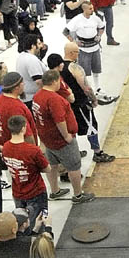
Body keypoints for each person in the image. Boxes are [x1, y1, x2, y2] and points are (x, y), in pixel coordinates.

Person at [33, 70, 95, 205]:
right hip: (61, 140)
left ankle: (54, 191)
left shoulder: (37, 96)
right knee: (74, 166)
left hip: (47, 139)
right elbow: (59, 120)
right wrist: (66, 135)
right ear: (54, 81)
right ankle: (78, 195)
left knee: (52, 165)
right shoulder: (54, 99)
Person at [58, 43, 115, 163]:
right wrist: (94, 99)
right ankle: (97, 153)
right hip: (80, 104)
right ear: (72, 53)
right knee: (91, 127)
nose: (78, 54)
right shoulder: (74, 68)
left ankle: (75, 152)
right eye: (77, 52)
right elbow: (86, 87)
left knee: (71, 129)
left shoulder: (58, 68)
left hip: (65, 104)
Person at [3, 115, 51, 230]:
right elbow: (47, 168)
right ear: (24, 128)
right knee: (39, 223)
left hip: (18, 192)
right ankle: (40, 246)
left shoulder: (5, 147)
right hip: (35, 192)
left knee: (21, 224)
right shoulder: (32, 150)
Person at [0, 72, 38, 148]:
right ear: (16, 87)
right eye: (22, 83)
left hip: (6, 145)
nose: (24, 84)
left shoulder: (0, 99)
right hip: (20, 150)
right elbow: (27, 135)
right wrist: (34, 151)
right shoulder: (15, 107)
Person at [15, 34, 47, 108]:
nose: (41, 46)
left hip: (27, 97)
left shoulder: (21, 56)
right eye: (38, 44)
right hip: (33, 98)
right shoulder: (31, 60)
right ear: (33, 46)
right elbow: (38, 81)